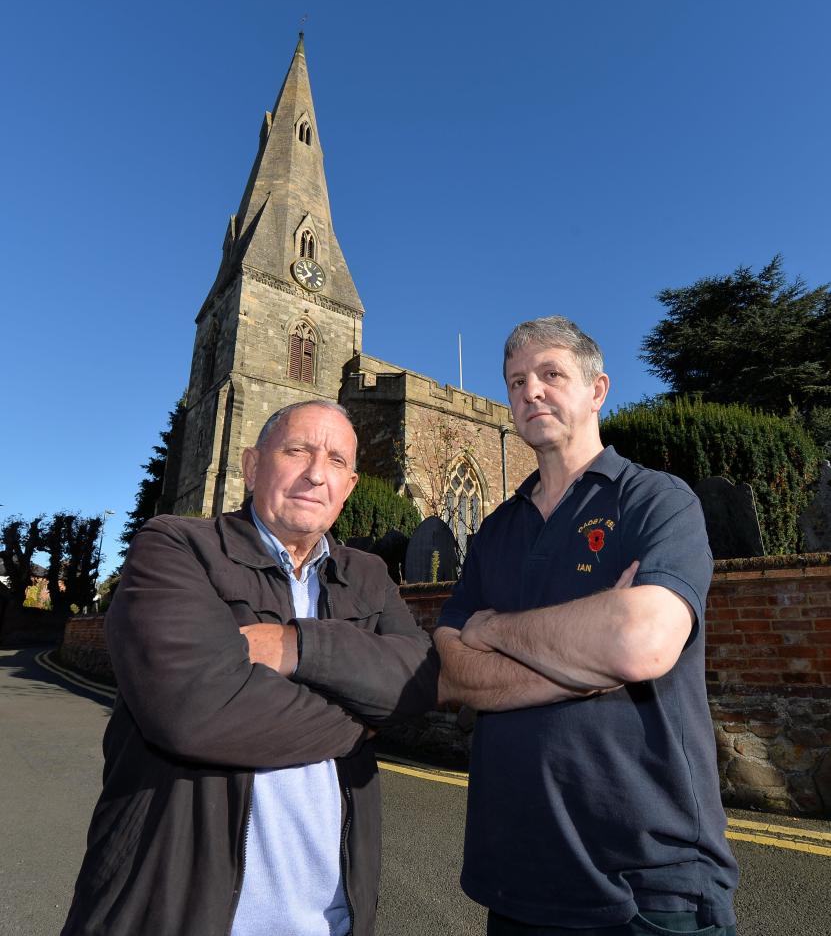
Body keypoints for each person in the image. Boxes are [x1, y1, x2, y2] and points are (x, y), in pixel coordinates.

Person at [62, 400, 438, 936]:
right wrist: (363, 717)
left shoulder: (370, 576)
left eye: (335, 460)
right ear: (251, 466)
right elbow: (192, 713)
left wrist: (295, 647)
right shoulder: (177, 546)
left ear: (350, 486)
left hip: (333, 920)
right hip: (174, 913)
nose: (315, 473)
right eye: (297, 451)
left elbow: (421, 677)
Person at [435, 317, 738, 936]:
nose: (531, 393)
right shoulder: (494, 532)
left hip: (647, 886)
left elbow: (639, 641)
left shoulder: (656, 499)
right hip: (516, 881)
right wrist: (588, 664)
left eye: (551, 374)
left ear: (598, 390)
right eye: (516, 382)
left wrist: (492, 629)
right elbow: (451, 671)